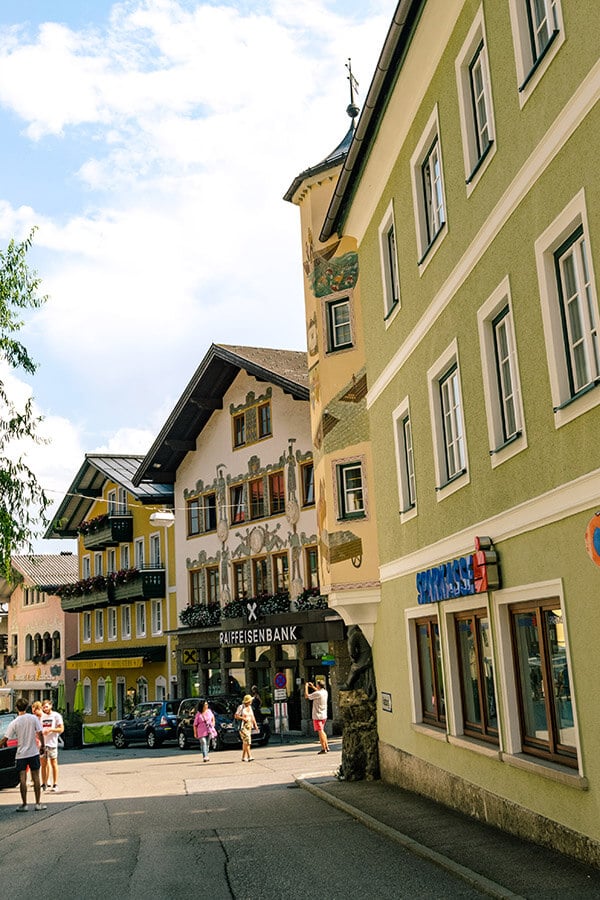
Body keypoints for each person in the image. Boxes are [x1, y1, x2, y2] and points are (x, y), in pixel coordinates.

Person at [0, 696, 46, 811]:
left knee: (22, 779)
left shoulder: (14, 722)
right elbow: (40, 733)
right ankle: (38, 803)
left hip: (21, 754)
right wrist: (43, 746)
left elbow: (5, 739)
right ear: (27, 707)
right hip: (33, 752)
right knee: (36, 777)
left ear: (16, 708)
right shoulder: (33, 718)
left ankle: (24, 804)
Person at [40, 698, 64, 792]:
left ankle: (55, 784)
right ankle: (44, 783)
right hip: (43, 743)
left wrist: (51, 730)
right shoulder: (42, 717)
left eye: (46, 706)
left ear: (50, 706)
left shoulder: (56, 716)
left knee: (54, 763)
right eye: (43, 707)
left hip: (52, 742)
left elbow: (61, 729)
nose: (45, 709)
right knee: (43, 764)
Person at [305, 678, 329, 753]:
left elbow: (306, 696)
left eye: (316, 685)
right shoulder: (325, 692)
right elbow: (318, 692)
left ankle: (323, 748)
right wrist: (312, 687)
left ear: (318, 686)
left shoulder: (318, 693)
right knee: (322, 731)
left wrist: (306, 687)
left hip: (317, 715)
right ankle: (326, 746)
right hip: (324, 714)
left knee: (320, 731)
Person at [235, 694, 257, 762]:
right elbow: (236, 716)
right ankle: (249, 756)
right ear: (247, 701)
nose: (251, 702)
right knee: (247, 740)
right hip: (243, 726)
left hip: (249, 725)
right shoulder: (241, 707)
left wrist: (255, 725)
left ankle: (243, 757)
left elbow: (252, 716)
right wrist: (243, 718)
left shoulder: (250, 707)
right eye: (250, 701)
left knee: (245, 742)